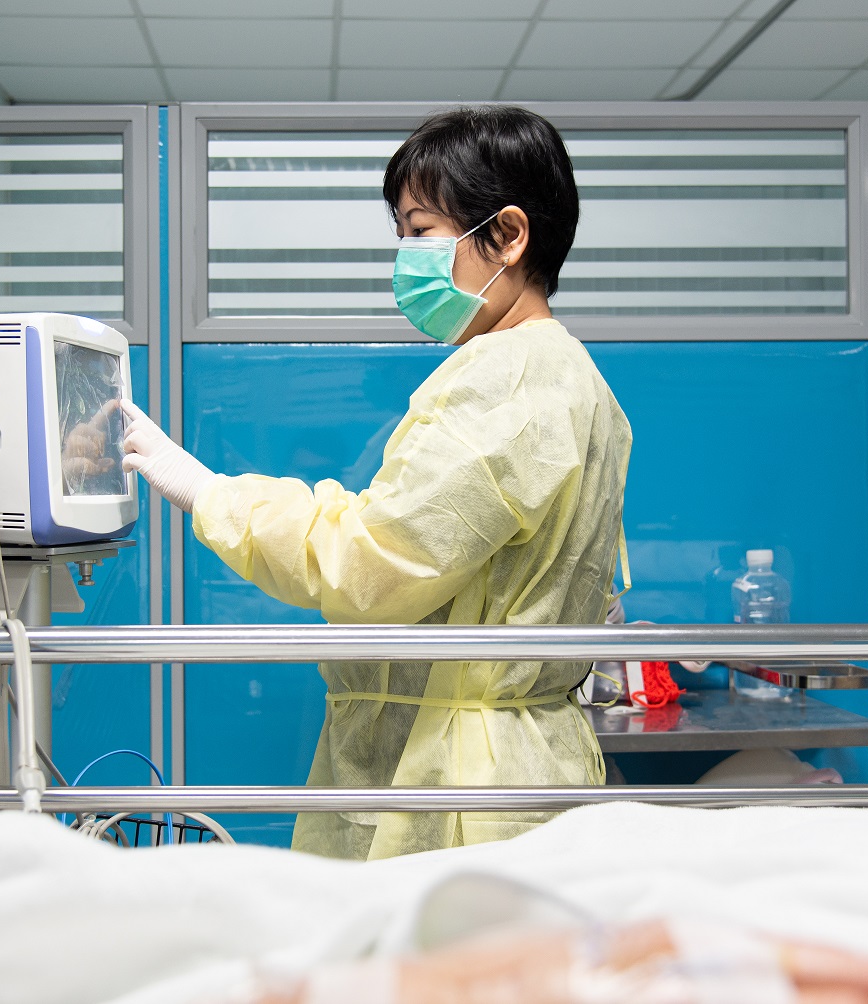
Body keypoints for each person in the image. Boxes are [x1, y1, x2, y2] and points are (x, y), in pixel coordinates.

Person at [120, 105, 632, 861]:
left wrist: (208, 491)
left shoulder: (505, 376)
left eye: (422, 231)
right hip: (520, 768)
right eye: (401, 232)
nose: (406, 256)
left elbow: (371, 562)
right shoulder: (576, 379)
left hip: (459, 784)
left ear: (510, 235)